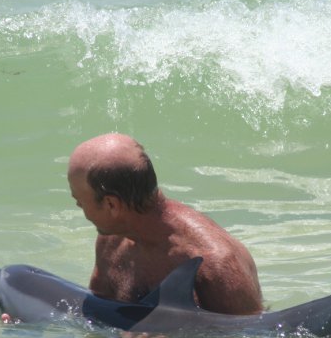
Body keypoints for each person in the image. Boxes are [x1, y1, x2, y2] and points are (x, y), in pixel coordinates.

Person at [66, 133, 263, 316]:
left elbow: (248, 337)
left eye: (79, 200)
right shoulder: (111, 239)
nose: (77, 205)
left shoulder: (216, 265)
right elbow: (99, 313)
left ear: (111, 205)